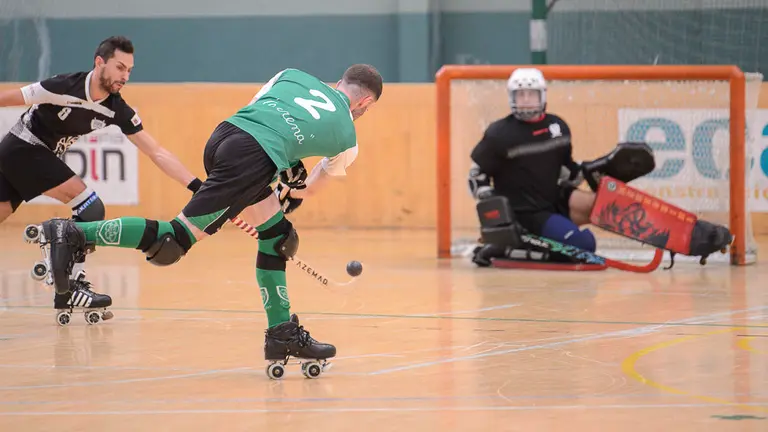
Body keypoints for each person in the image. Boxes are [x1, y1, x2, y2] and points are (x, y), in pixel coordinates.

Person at [33, 64, 383, 376]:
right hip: (253, 160)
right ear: (364, 103)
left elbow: (259, 110)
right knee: (171, 243)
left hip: (224, 138)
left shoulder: (292, 75)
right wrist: (288, 184)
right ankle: (72, 232)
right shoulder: (347, 136)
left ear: (340, 82)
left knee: (278, 236)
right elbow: (308, 189)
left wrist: (269, 175)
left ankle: (282, 335)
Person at [0, 36, 202, 322]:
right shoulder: (63, 86)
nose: (125, 76)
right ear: (99, 63)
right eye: (120, 67)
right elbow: (9, 98)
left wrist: (196, 186)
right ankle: (70, 283)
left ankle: (65, 284)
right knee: (90, 207)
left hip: (29, 159)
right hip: (22, 148)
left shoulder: (116, 110)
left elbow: (155, 151)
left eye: (129, 71)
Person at [468, 68, 654, 266]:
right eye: (520, 95)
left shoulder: (558, 127)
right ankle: (510, 247)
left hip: (554, 198)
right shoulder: (499, 134)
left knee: (606, 206)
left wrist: (599, 169)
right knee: (584, 245)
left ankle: (663, 236)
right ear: (511, 97)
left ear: (543, 95)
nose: (526, 100)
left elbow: (567, 172)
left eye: (531, 94)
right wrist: (495, 209)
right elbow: (476, 177)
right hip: (526, 214)